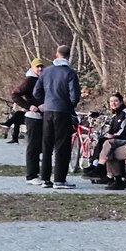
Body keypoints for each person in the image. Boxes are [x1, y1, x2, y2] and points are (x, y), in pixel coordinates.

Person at [32, 45, 81, 190]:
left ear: (56, 54)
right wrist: (68, 106)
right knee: (62, 146)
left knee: (47, 145)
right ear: (68, 56)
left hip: (48, 111)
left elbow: (36, 93)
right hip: (63, 112)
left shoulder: (46, 71)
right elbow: (74, 96)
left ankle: (45, 178)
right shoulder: (70, 73)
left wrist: (46, 102)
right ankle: (59, 179)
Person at [82, 93, 126, 183]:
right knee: (102, 140)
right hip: (117, 138)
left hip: (124, 139)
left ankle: (103, 171)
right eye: (111, 101)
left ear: (121, 102)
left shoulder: (125, 112)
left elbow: (124, 128)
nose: (113, 103)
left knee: (108, 145)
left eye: (116, 101)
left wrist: (114, 135)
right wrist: (109, 135)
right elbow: (111, 130)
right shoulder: (115, 115)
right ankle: (97, 166)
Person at [9, 59, 45, 181]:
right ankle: (31, 175)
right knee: (33, 146)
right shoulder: (30, 80)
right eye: (37, 67)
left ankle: (37, 172)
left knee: (39, 145)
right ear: (32, 68)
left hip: (41, 116)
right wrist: (29, 106)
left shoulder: (40, 79)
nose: (40, 69)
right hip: (32, 117)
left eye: (41, 66)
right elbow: (15, 94)